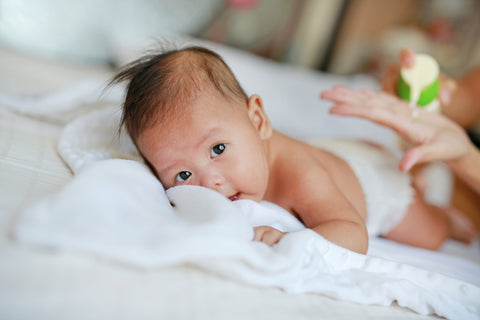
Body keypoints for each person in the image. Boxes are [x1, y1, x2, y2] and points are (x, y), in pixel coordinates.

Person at [111, 46, 474, 254]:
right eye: (183, 175)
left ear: (257, 120)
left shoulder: (300, 175)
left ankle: (442, 214)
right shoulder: (239, 171)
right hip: (340, 156)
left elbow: (353, 234)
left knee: (428, 236)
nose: (211, 185)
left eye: (218, 148)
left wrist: (291, 240)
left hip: (377, 188)